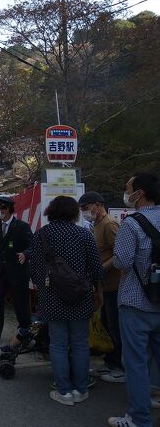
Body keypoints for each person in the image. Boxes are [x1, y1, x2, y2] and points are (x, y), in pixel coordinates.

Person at [29, 196, 102, 406]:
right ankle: (80, 389)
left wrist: (42, 287)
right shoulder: (83, 234)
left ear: (50, 212)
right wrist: (99, 293)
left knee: (58, 344)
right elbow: (96, 268)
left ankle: (64, 392)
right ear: (74, 213)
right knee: (80, 343)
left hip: (52, 297)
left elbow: (33, 270)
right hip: (80, 296)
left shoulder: (41, 235)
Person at [108, 172, 160, 427]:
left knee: (136, 363)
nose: (125, 191)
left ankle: (139, 418)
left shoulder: (132, 224)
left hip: (136, 302)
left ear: (139, 193)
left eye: (128, 187)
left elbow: (122, 261)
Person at [78, 191, 124, 384]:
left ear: (97, 205)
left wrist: (100, 269)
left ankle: (120, 367)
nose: (84, 212)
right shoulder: (95, 225)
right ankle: (110, 360)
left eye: (86, 208)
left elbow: (119, 255)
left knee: (115, 326)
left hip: (113, 285)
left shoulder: (109, 224)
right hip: (103, 286)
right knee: (106, 324)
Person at [0, 195, 33, 345]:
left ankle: (24, 331)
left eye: (2, 208)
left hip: (18, 271)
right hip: (0, 270)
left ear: (10, 209)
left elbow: (32, 245)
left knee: (21, 303)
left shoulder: (22, 226)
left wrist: (25, 253)